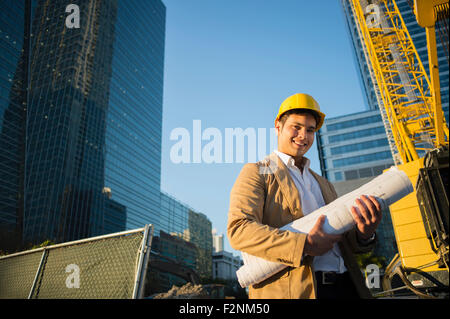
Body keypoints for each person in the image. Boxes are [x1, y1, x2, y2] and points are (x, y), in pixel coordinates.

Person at [227, 93, 382, 299]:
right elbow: (239, 229)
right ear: (278, 126)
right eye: (296, 127)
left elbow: (345, 244)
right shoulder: (259, 171)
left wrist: (364, 233)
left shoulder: (323, 183)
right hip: (297, 291)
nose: (304, 136)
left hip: (347, 286)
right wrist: (304, 245)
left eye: (310, 130)